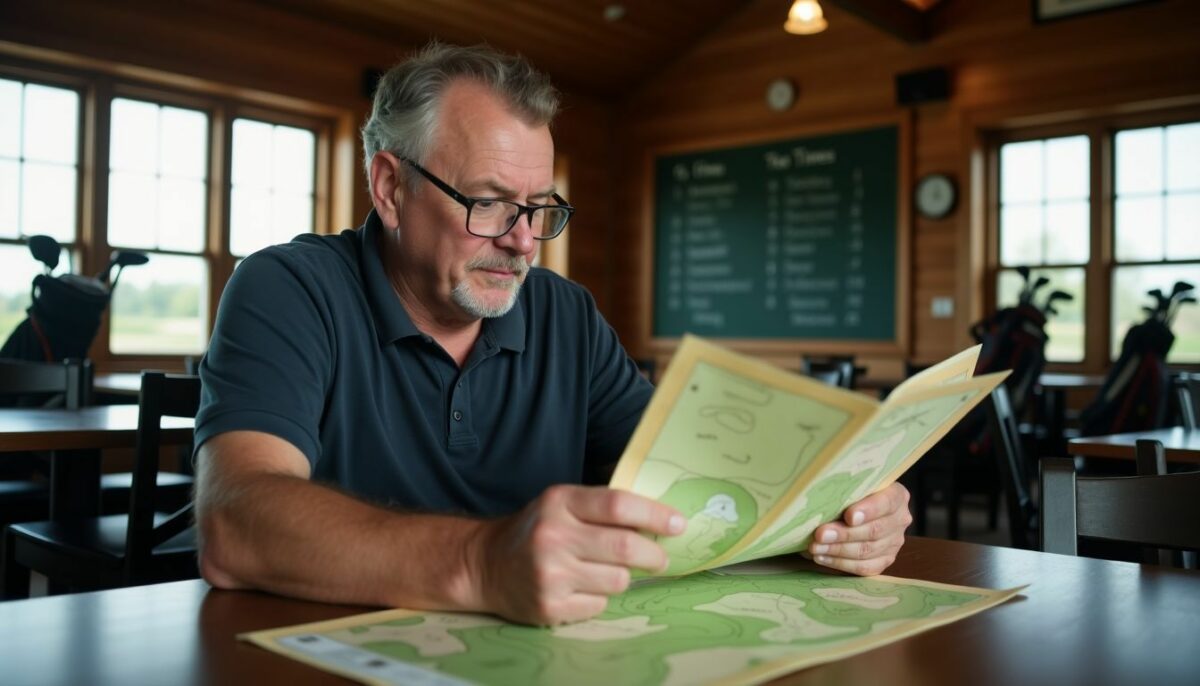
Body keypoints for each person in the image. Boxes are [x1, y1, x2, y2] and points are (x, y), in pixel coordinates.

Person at [194, 43, 912, 626]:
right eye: (490, 203)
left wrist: (841, 513)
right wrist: (482, 563)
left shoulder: (566, 315)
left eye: (540, 208)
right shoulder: (290, 288)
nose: (525, 242)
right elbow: (235, 522)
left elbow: (692, 485)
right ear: (389, 189)